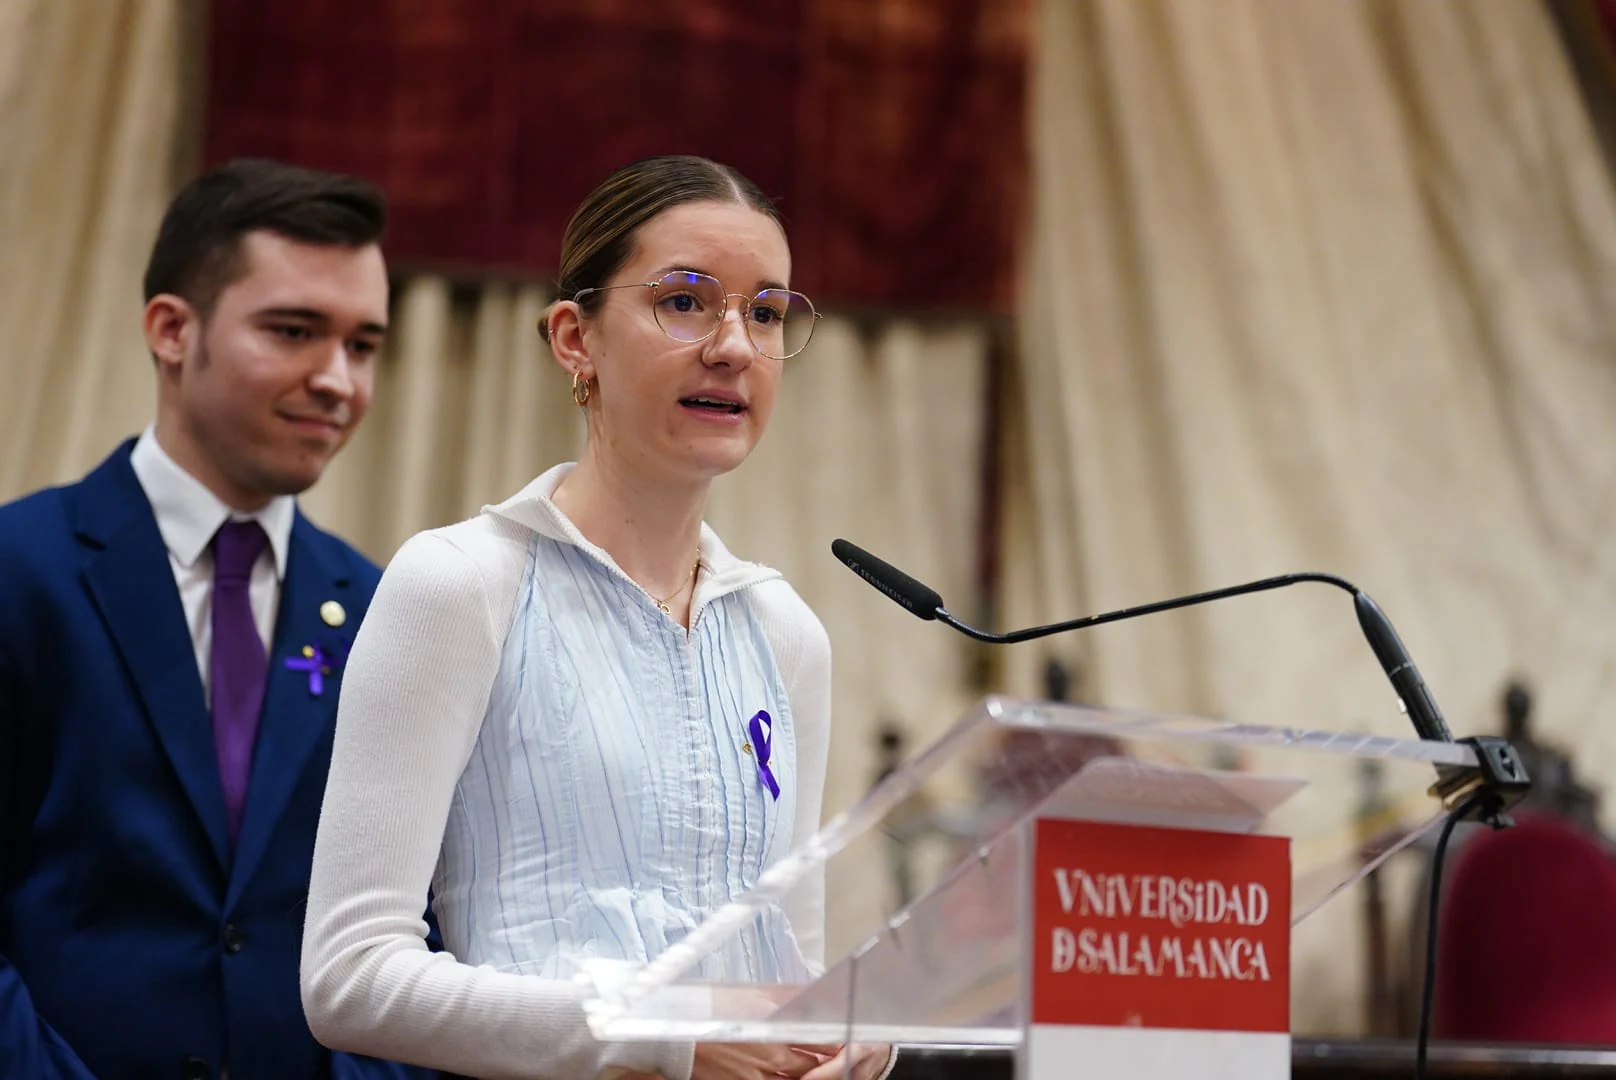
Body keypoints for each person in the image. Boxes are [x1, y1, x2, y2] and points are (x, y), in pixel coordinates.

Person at [301, 156, 892, 1080]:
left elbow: (789, 966)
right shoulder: (461, 583)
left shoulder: (787, 633)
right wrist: (661, 1035)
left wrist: (842, 1040)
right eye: (686, 301)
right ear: (575, 337)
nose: (734, 346)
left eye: (766, 312)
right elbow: (349, 977)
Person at [0, 158, 436, 1079]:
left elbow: (413, 934)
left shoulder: (384, 610)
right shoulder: (20, 570)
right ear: (171, 330)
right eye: (293, 331)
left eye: (363, 345)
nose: (338, 381)